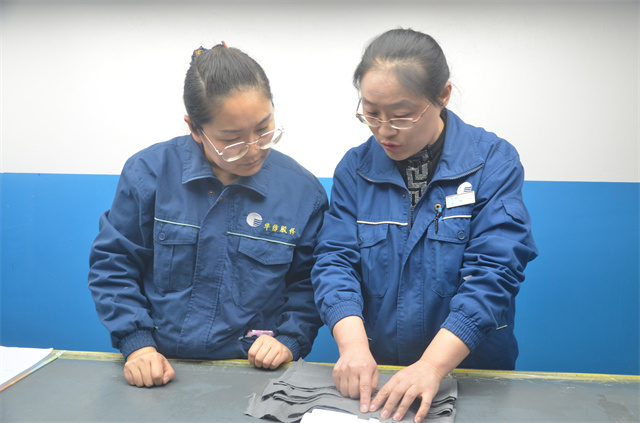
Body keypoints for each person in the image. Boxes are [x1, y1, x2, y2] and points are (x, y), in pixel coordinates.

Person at [311, 28, 538, 423]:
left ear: (443, 95)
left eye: (401, 115)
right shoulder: (355, 169)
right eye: (371, 112)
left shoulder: (492, 162)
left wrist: (432, 366)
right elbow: (335, 261)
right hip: (381, 375)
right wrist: (353, 347)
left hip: (471, 374)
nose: (384, 130)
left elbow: (495, 272)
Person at [88, 43, 328, 388]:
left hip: (254, 375)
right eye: (232, 139)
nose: (253, 149)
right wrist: (137, 345)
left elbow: (308, 283)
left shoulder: (302, 192)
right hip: (160, 367)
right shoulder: (149, 174)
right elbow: (114, 264)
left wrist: (290, 339)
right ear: (195, 129)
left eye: (264, 129)